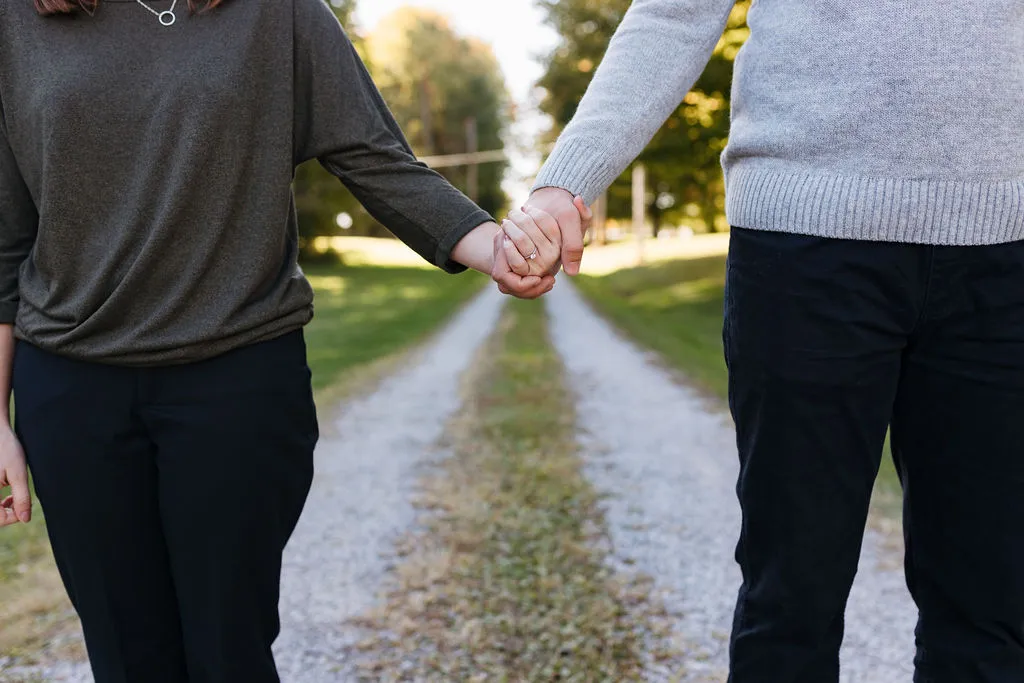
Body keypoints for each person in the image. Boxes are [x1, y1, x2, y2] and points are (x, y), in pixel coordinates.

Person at [0, 0, 576, 680]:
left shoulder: (277, 12)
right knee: (127, 660)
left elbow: (372, 154)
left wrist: (494, 248)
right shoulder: (18, 17)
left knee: (228, 654)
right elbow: (6, 235)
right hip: (72, 395)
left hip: (235, 383)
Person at [526, 1, 1024, 682]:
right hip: (803, 241)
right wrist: (568, 179)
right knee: (792, 598)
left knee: (993, 613)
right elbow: (674, 14)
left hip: (1006, 248)